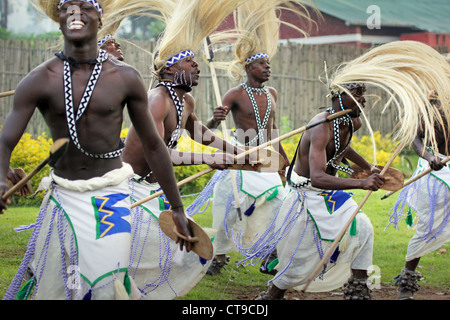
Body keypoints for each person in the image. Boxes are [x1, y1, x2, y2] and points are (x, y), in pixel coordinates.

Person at [0, 0, 192, 300]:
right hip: (63, 195)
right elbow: (6, 139)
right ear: (59, 19)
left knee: (107, 280)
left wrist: (177, 207)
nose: (76, 12)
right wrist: (1, 176)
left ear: (100, 19)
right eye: (67, 7)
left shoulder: (125, 77)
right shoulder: (40, 79)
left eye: (85, 6)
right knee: (59, 286)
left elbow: (155, 145)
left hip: (111, 195)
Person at [120, 0, 251, 299]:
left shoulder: (184, 102)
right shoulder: (156, 100)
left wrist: (233, 151)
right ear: (170, 68)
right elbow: (159, 153)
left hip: (152, 191)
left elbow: (200, 134)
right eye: (189, 61)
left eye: (196, 61)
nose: (197, 66)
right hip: (129, 190)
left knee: (173, 256)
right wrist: (209, 158)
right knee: (151, 256)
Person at [200, 0, 312, 276]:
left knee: (277, 202)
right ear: (249, 67)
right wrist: (216, 117)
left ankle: (270, 252)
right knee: (226, 206)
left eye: (268, 63)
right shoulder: (234, 94)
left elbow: (273, 130)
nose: (267, 67)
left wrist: (283, 156)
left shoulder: (271, 93)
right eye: (262, 63)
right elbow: (207, 129)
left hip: (266, 158)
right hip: (239, 156)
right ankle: (220, 256)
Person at [247, 83, 384, 300]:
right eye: (358, 96)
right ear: (340, 98)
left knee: (363, 227)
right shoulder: (320, 127)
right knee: (298, 255)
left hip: (329, 193)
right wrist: (362, 183)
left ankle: (358, 289)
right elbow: (318, 177)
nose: (363, 101)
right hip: (305, 193)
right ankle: (272, 295)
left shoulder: (352, 122)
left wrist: (368, 167)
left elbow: (342, 146)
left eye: (363, 96)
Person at [387, 96, 450, 300]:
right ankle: (407, 280)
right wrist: (431, 158)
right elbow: (415, 139)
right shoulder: (434, 107)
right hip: (435, 172)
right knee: (426, 228)